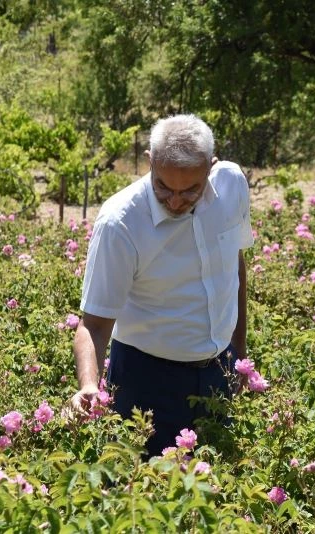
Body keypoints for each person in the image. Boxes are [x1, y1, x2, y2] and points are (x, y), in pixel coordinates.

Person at [68, 114, 254, 457]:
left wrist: (239, 354)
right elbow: (93, 323)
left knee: (218, 492)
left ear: (210, 167)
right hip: (147, 382)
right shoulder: (121, 223)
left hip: (218, 373)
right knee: (144, 495)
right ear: (150, 162)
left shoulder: (231, 184)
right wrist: (89, 384)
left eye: (190, 191)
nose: (175, 201)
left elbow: (235, 269)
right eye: (164, 187)